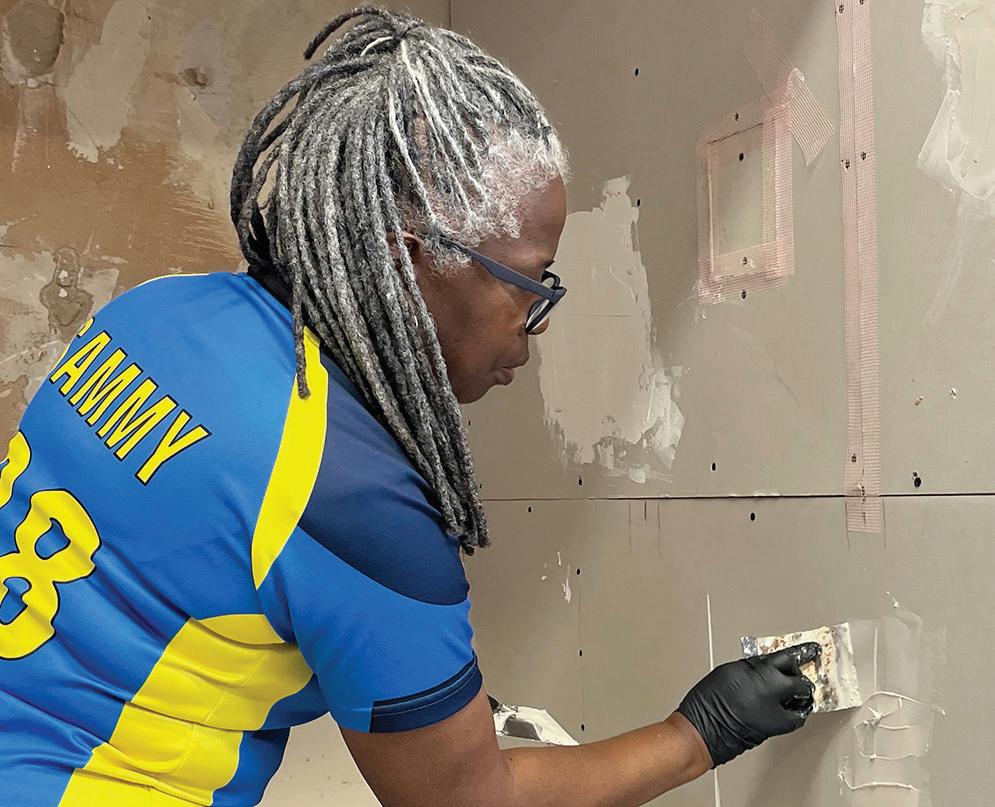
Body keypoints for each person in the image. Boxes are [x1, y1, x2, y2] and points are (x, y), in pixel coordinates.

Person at [0, 7, 818, 805]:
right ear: (407, 261)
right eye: (530, 285)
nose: (531, 333)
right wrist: (701, 730)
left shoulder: (154, 313)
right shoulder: (348, 497)